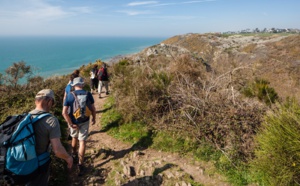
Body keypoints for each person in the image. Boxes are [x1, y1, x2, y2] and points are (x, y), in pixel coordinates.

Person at [26, 89, 73, 186]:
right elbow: (57, 150)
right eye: (53, 103)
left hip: (21, 165)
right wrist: (68, 158)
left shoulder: (25, 117)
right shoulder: (51, 120)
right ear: (49, 101)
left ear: (36, 101)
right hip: (38, 166)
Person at [62, 77, 96, 176]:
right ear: (82, 84)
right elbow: (93, 108)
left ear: (74, 85)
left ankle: (73, 154)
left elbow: (64, 113)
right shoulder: (88, 93)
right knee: (82, 142)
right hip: (85, 120)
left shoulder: (70, 95)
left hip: (74, 121)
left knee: (74, 137)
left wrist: (70, 123)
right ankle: (81, 165)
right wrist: (94, 118)